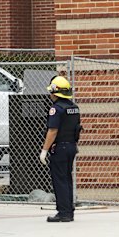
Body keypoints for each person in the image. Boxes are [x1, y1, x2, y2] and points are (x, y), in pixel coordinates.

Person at [40, 76, 81, 223]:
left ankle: (63, 213)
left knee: (60, 180)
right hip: (71, 147)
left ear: (55, 93)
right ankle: (69, 211)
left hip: (60, 148)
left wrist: (44, 150)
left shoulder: (56, 109)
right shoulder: (74, 107)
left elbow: (53, 131)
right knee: (67, 179)